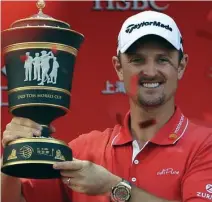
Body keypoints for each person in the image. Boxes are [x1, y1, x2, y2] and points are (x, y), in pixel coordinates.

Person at [2, 10, 212, 202]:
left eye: (162, 60)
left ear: (181, 65)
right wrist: (10, 156)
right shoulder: (83, 150)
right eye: (137, 60)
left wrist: (114, 186)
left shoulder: (205, 146)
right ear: (118, 67)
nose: (150, 71)